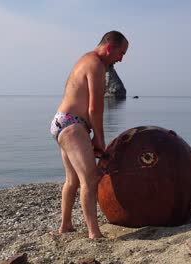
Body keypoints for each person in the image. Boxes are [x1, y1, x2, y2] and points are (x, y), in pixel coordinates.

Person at [50, 31, 128, 239]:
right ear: (109, 47)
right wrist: (99, 139)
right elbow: (95, 108)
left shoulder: (86, 60)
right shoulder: (96, 65)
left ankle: (66, 225)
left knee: (72, 180)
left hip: (62, 121)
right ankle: (94, 232)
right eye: (121, 53)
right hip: (73, 125)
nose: (121, 58)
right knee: (90, 179)